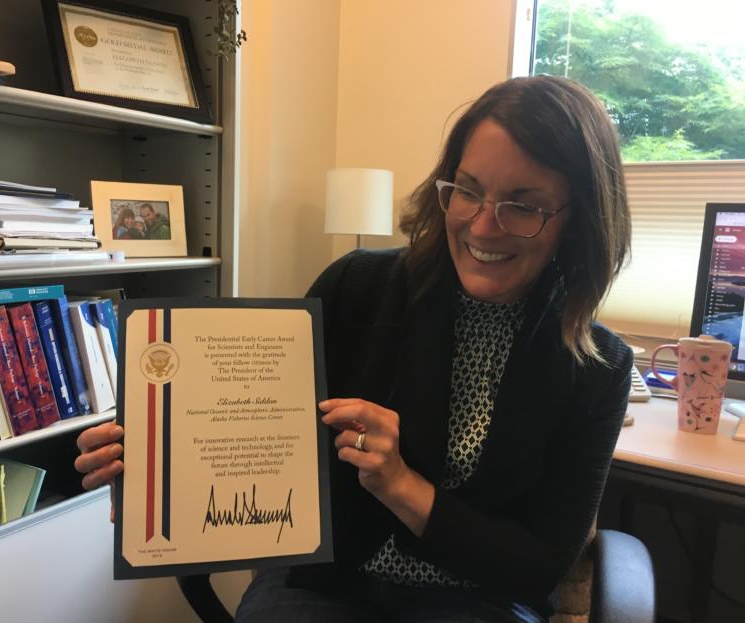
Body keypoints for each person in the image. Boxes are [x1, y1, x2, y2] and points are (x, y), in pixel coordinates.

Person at [75, 75, 632, 622]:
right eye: (466, 190)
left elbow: (538, 567)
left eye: (523, 205)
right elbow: (259, 433)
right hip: (328, 580)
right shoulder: (357, 287)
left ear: (577, 219)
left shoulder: (598, 367)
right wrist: (156, 468)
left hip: (477, 595)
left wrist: (401, 486)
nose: (483, 226)